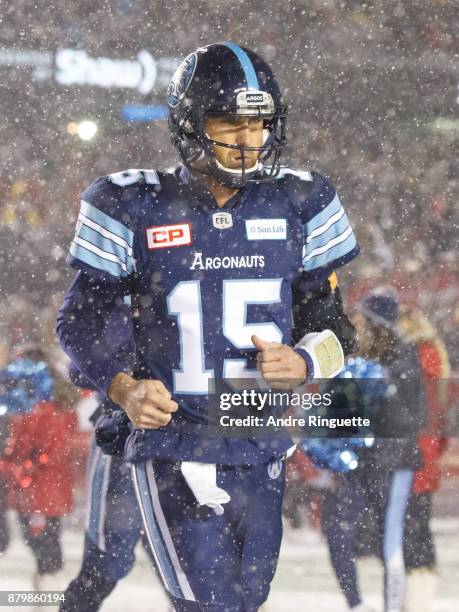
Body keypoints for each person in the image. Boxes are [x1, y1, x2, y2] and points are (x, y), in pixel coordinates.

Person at [57, 42, 360, 611]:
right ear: (190, 123)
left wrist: (306, 361)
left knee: (245, 603)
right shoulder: (132, 203)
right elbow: (79, 321)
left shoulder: (299, 200)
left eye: (260, 123)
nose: (248, 140)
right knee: (204, 602)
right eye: (230, 122)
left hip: (259, 440)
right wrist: (123, 388)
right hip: (174, 439)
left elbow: (336, 328)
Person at [321, 289, 426, 612]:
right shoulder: (352, 356)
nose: (355, 323)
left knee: (389, 541)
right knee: (337, 534)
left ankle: (392, 608)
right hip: (355, 462)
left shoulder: (403, 358)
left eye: (361, 318)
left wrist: (382, 393)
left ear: (375, 323)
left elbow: (417, 418)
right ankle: (356, 605)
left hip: (393, 463)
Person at [397, 307, 451, 612]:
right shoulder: (434, 355)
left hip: (412, 450)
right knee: (418, 524)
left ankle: (415, 598)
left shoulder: (415, 356)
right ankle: (420, 595)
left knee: (409, 527)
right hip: (426, 449)